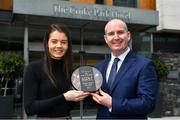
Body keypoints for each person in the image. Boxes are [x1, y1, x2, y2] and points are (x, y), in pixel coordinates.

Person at [91, 19, 158, 119]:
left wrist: (112, 103)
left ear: (128, 35)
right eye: (111, 34)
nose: (116, 37)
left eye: (120, 32)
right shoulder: (99, 67)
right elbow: (96, 101)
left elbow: (147, 104)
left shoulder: (145, 65)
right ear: (106, 38)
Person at [23, 24, 89, 118]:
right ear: (47, 43)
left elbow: (67, 107)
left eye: (63, 42)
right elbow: (29, 109)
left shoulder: (71, 70)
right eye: (54, 41)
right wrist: (64, 97)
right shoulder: (33, 68)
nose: (59, 46)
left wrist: (78, 96)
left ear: (68, 45)